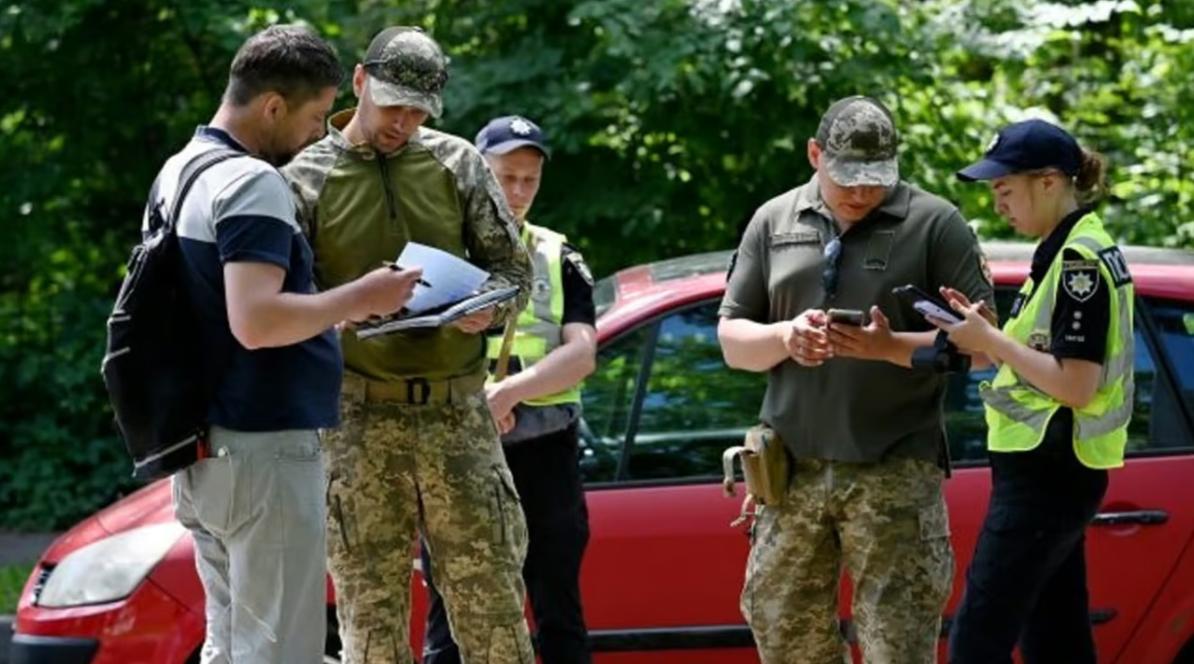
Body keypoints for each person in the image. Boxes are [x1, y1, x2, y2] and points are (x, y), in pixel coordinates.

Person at [163, 25, 424, 664]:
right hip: (263, 449)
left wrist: (320, 318)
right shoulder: (253, 182)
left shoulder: (182, 170)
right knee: (280, 653)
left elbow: (221, 310)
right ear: (273, 105)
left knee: (229, 647)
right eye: (312, 116)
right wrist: (362, 297)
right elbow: (255, 321)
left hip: (205, 447)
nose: (318, 132)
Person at [282, 27, 535, 664]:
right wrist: (345, 310)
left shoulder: (457, 163)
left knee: (496, 617)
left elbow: (514, 271)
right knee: (371, 622)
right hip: (358, 419)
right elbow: (286, 301)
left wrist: (489, 307)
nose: (405, 122)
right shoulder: (304, 179)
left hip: (457, 415)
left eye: (419, 111)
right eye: (394, 105)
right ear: (360, 83)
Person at [716, 95, 996, 664]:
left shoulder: (934, 224)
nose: (862, 192)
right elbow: (731, 342)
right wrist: (786, 337)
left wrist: (888, 347)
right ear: (815, 154)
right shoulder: (774, 220)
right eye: (848, 176)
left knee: (899, 644)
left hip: (894, 468)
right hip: (790, 471)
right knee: (783, 631)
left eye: (876, 178)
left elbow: (987, 349)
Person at [938, 119, 1134, 664]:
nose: (999, 205)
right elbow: (1035, 354)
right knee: (1057, 641)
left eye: (1005, 189)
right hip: (1051, 472)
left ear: (1049, 182)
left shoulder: (1079, 262)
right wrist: (982, 333)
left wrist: (992, 339)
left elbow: (1076, 384)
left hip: (1048, 474)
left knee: (977, 641)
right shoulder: (1062, 247)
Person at [419, 115, 597, 664]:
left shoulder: (557, 255)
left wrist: (511, 392)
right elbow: (409, 350)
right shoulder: (439, 254)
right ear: (478, 175)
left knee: (558, 613)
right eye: (505, 178)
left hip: (545, 454)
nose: (518, 192)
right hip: (457, 451)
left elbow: (582, 353)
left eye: (529, 180)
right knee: (450, 614)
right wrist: (478, 403)